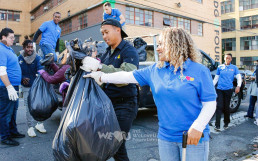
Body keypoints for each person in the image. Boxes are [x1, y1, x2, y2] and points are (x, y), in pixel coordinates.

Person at [82, 27, 217, 161]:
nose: (157, 49)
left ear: (176, 44)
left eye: (161, 45)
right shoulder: (155, 70)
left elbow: (210, 103)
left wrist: (198, 126)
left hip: (193, 137)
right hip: (166, 138)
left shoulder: (199, 71)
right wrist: (100, 75)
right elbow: (126, 76)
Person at [81, 19, 139, 161]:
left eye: (106, 32)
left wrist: (101, 68)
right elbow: (103, 79)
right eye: (102, 33)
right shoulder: (107, 53)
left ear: (118, 30)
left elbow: (127, 76)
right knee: (110, 144)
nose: (104, 36)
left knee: (116, 143)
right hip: (108, 105)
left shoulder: (128, 50)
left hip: (125, 105)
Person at [0, 28, 25, 146]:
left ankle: (13, 132)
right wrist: (9, 87)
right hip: (6, 88)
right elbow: (1, 71)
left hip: (14, 86)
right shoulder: (1, 49)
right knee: (6, 113)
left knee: (13, 111)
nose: (13, 39)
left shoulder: (8, 49)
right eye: (11, 37)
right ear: (3, 37)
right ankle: (5, 137)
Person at [18, 38, 47, 137]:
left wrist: (40, 74)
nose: (30, 49)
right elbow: (18, 71)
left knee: (39, 106)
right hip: (26, 87)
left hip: (36, 86)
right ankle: (30, 127)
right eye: (28, 47)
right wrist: (22, 78)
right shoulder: (20, 58)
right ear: (24, 48)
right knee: (29, 107)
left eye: (32, 47)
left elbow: (40, 69)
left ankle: (39, 124)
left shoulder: (37, 57)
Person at [213, 53, 242, 131]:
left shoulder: (234, 68)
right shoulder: (220, 67)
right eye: (226, 58)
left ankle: (226, 122)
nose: (227, 59)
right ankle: (217, 125)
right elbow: (216, 78)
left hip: (228, 90)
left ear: (231, 59)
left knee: (226, 107)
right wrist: (212, 87)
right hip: (220, 89)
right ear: (224, 58)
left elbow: (239, 77)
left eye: (229, 58)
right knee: (219, 106)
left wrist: (238, 86)